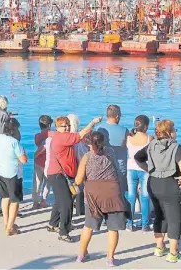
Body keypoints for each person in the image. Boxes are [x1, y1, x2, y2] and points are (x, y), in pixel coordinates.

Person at [134, 119, 181, 263]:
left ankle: (159, 248)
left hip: (154, 183)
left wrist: (149, 169)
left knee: (159, 215)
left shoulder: (152, 145)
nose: (176, 132)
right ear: (170, 132)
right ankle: (173, 253)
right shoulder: (175, 146)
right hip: (169, 184)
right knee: (174, 219)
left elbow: (137, 157)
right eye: (174, 130)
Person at [75, 132, 128, 267]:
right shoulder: (110, 152)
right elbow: (117, 169)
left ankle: (82, 254)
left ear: (89, 144)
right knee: (113, 228)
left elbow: (78, 180)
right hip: (112, 192)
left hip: (93, 195)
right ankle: (110, 258)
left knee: (88, 226)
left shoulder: (87, 157)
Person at [46, 115, 102, 243]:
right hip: (59, 174)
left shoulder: (59, 136)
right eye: (63, 126)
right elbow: (81, 134)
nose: (66, 128)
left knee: (61, 200)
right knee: (66, 203)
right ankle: (64, 232)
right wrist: (93, 122)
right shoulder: (63, 137)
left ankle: (53, 224)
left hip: (61, 173)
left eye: (68, 126)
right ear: (57, 127)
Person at [0, 118, 27, 236]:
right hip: (12, 174)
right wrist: (23, 152)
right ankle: (10, 227)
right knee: (15, 201)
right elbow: (23, 160)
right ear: (14, 130)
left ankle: (6, 222)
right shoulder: (14, 142)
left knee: (5, 198)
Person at [126, 115, 153, 232]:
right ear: (146, 126)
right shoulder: (149, 139)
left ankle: (129, 223)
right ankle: (145, 224)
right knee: (145, 197)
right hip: (144, 169)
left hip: (131, 168)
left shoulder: (129, 138)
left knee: (131, 196)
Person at [97, 105, 129, 194]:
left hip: (103, 169)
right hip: (120, 170)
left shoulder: (99, 129)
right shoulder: (124, 130)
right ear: (117, 116)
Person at [68, 113, 89, 216]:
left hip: (68, 168)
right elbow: (82, 156)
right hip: (77, 167)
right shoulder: (77, 140)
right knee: (79, 190)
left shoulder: (67, 138)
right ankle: (80, 212)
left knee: (72, 190)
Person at [33, 115, 52, 209]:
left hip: (38, 162)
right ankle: (43, 201)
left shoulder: (37, 136)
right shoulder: (52, 135)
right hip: (48, 162)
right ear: (49, 125)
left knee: (37, 183)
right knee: (47, 183)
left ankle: (35, 203)